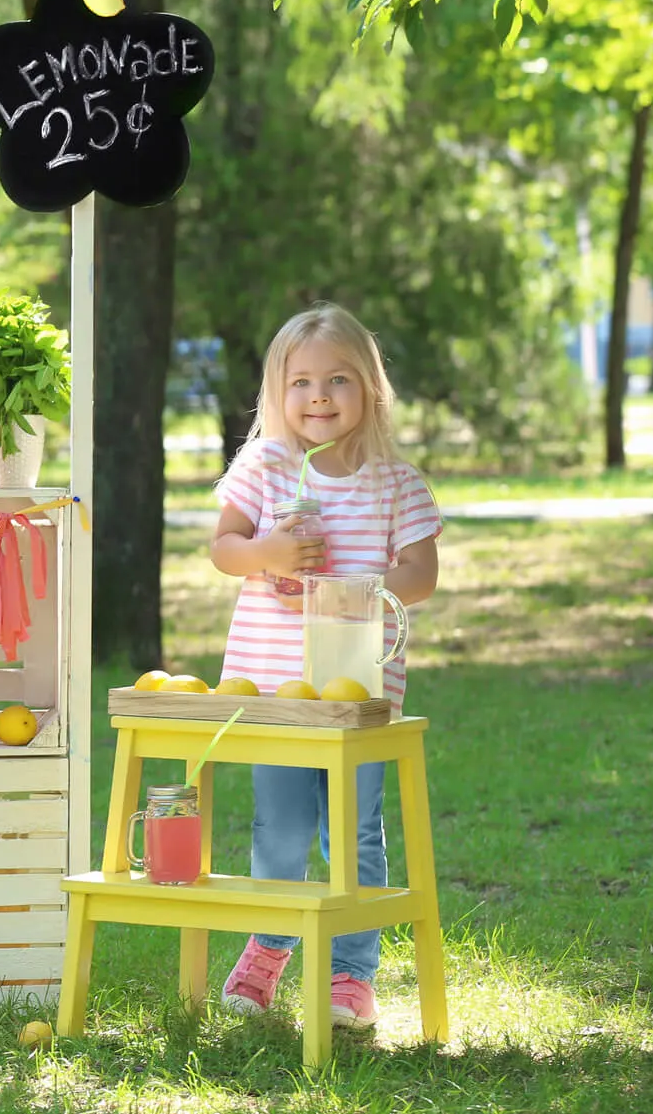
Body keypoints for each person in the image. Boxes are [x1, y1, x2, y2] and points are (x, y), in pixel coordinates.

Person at [209, 301, 441, 1029]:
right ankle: (271, 945)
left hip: (357, 693)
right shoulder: (268, 465)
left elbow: (421, 573)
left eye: (337, 379)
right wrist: (268, 554)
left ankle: (351, 973)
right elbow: (225, 547)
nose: (317, 396)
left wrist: (361, 595)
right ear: (278, 393)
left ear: (369, 389)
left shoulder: (394, 483)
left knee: (354, 829)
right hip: (276, 689)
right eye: (301, 381)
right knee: (277, 827)